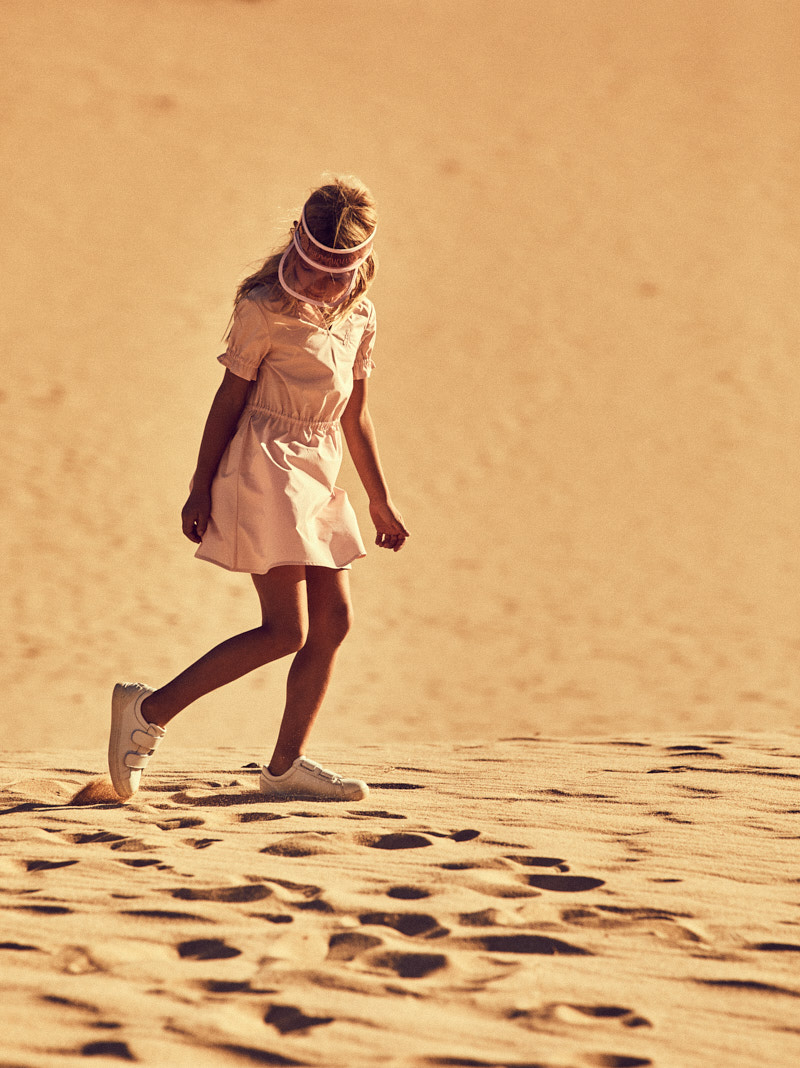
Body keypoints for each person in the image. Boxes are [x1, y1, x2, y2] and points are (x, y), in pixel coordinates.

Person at [108, 176, 408, 803]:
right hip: (264, 462)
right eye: (315, 268)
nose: (324, 283)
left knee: (335, 621)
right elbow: (228, 401)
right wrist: (199, 488)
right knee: (287, 630)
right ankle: (149, 712)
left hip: (319, 465)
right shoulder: (263, 307)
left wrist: (379, 498)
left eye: (336, 273)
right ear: (297, 248)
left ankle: (284, 767)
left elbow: (355, 414)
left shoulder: (360, 315)